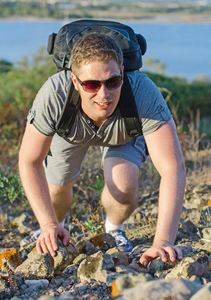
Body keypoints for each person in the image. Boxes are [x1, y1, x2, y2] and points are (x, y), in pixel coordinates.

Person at [18, 32, 186, 267]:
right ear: (75, 82)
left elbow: (172, 168)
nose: (103, 94)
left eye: (113, 82)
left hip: (123, 131)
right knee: (55, 190)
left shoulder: (142, 92)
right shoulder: (55, 94)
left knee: (123, 184)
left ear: (123, 74)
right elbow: (29, 160)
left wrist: (163, 240)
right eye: (91, 84)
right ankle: (57, 226)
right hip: (70, 131)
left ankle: (114, 229)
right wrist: (47, 224)